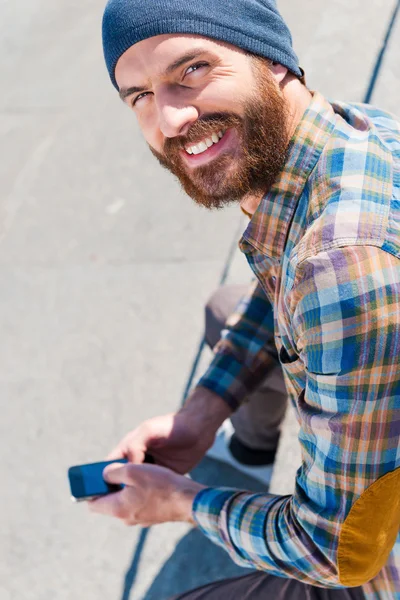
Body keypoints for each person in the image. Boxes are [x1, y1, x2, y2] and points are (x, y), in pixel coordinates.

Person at [89, 0, 400, 597]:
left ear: (273, 60)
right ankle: (250, 445)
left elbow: (338, 552)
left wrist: (182, 501)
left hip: (372, 560)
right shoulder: (355, 128)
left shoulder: (340, 265)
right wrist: (202, 411)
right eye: (140, 96)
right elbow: (286, 279)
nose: (172, 117)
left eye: (193, 70)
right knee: (225, 310)